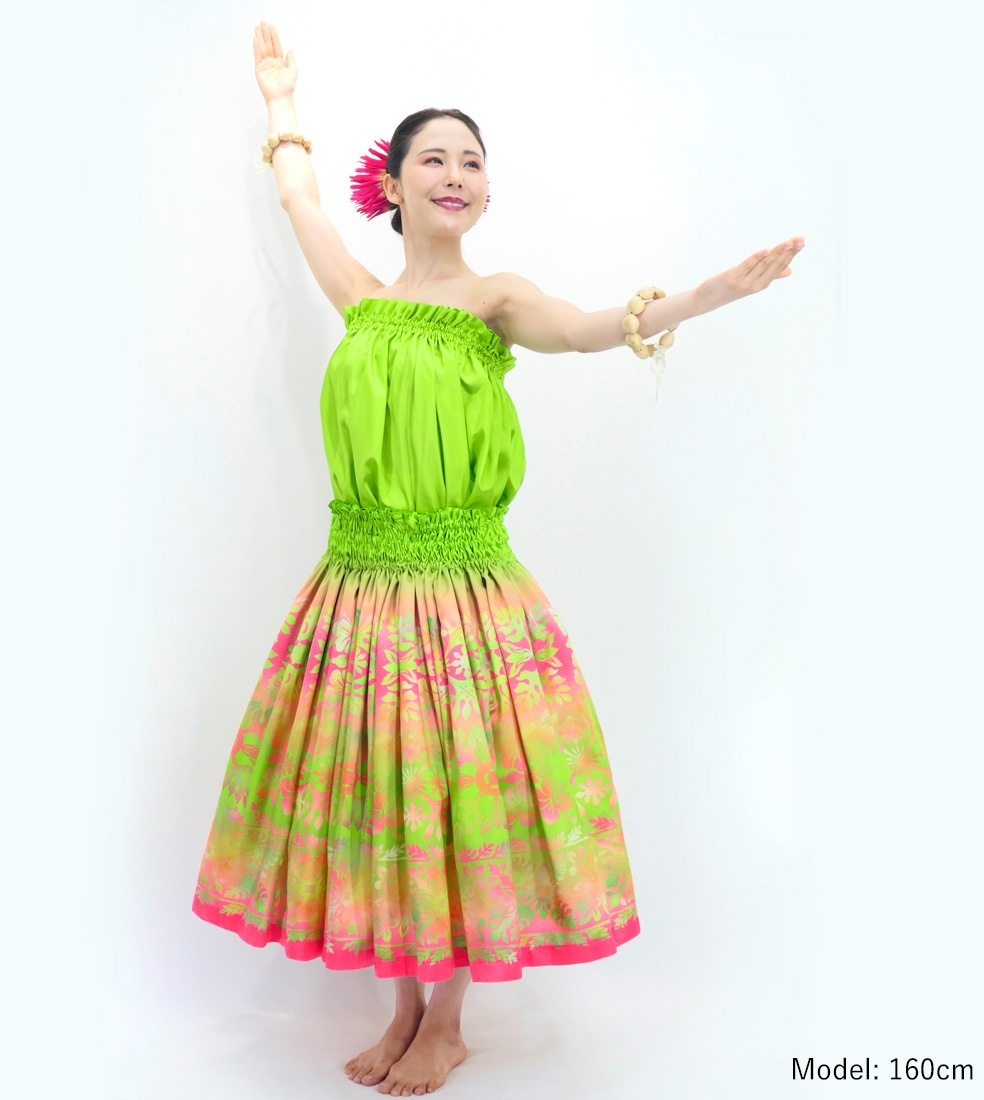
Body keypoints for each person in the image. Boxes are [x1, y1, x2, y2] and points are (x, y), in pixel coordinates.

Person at [191, 19, 806, 1099]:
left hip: (466, 595)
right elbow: (300, 202)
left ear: (484, 193)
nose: (456, 173)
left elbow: (587, 326)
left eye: (472, 161)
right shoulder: (362, 297)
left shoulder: (497, 298)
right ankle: (401, 1006)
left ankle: (449, 1020)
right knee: (386, 796)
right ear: (393, 184)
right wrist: (281, 105)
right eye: (434, 157)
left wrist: (709, 296)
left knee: (461, 796)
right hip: (357, 591)